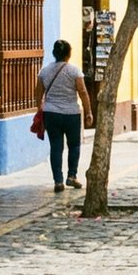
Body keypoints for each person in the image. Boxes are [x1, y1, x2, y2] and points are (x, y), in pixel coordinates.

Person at [35, 40, 93, 193]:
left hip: (51, 113)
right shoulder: (74, 71)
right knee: (74, 145)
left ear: (54, 53)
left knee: (56, 147)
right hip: (71, 113)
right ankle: (72, 176)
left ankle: (58, 180)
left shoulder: (44, 71)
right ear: (69, 53)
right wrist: (88, 111)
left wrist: (40, 109)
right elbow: (83, 92)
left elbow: (38, 94)